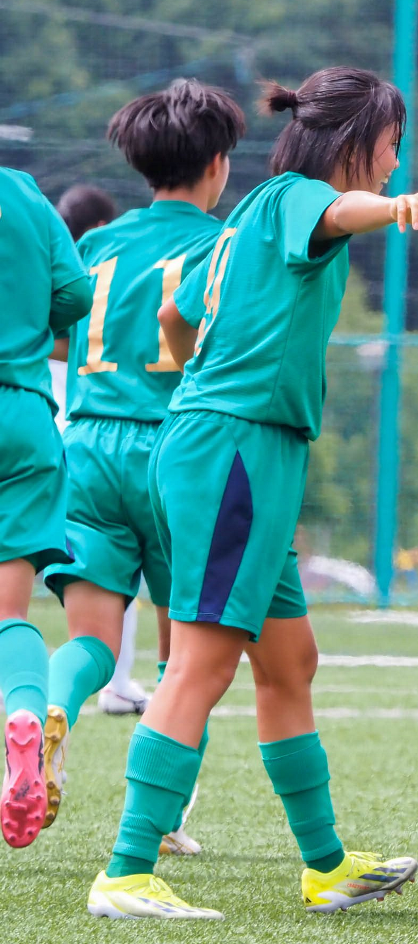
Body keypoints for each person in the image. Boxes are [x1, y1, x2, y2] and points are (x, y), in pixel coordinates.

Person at [86, 66, 418, 920]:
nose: (395, 164)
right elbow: (336, 212)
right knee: (204, 660)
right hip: (235, 451)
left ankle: (325, 864)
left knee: (289, 663)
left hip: (240, 448)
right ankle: (128, 871)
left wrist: (187, 357)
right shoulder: (295, 196)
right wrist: (391, 211)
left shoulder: (246, 211)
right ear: (352, 141)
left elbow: (176, 311)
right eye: (392, 147)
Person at [42, 81, 246, 861]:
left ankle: (50, 708)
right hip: (174, 454)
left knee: (92, 638)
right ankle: (159, 818)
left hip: (87, 445)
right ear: (219, 165)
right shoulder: (220, 245)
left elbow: (60, 338)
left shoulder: (97, 244)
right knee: (186, 651)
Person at [0, 167, 93, 849]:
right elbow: (75, 293)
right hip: (26, 417)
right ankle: (25, 715)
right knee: (10, 616)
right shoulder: (25, 192)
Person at [54, 184, 151, 718]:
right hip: (123, 436)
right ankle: (119, 685)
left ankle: (31, 691)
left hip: (60, 436)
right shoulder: (114, 260)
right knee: (131, 571)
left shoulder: (59, 265)